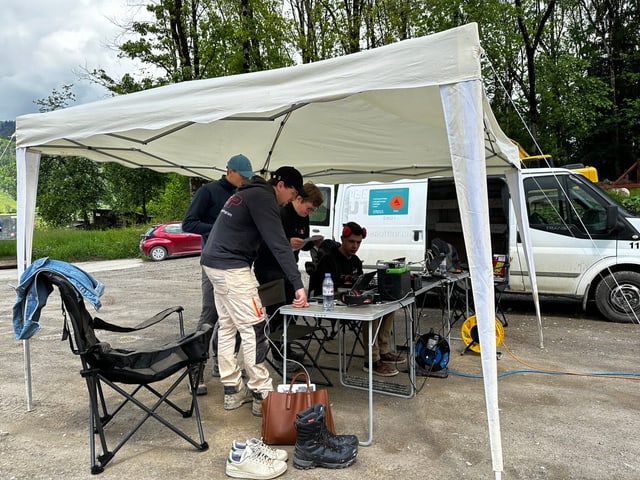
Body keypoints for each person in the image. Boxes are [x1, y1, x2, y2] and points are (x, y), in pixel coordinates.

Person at [201, 166, 310, 417]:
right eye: (292, 193)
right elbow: (279, 245)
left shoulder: (247, 192)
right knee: (254, 327)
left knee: (229, 326)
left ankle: (232, 389)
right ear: (280, 185)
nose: (292, 199)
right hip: (231, 267)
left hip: (215, 263)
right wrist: (297, 284)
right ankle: (262, 392)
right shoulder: (264, 198)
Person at [182, 154, 254, 395]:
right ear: (230, 171)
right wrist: (219, 227)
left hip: (238, 263)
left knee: (234, 318)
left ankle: (224, 365)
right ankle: (197, 369)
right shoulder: (209, 191)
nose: (244, 181)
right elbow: (188, 224)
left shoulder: (243, 194)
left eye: (247, 178)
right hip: (214, 263)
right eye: (242, 177)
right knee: (210, 315)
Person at [309, 221, 405, 377]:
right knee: (370, 314)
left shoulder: (355, 260)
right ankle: (372, 361)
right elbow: (325, 289)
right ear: (342, 239)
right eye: (351, 242)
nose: (355, 246)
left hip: (352, 299)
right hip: (331, 303)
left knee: (389, 305)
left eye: (358, 242)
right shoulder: (329, 259)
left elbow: (359, 283)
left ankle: (383, 350)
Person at [253, 182, 324, 368]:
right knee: (277, 310)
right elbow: (264, 242)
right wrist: (287, 242)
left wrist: (311, 243)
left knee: (294, 307)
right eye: (308, 208)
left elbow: (301, 241)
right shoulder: (281, 212)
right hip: (269, 268)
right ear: (299, 199)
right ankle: (278, 354)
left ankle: (287, 348)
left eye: (312, 211)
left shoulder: (303, 217)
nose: (309, 213)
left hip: (289, 268)